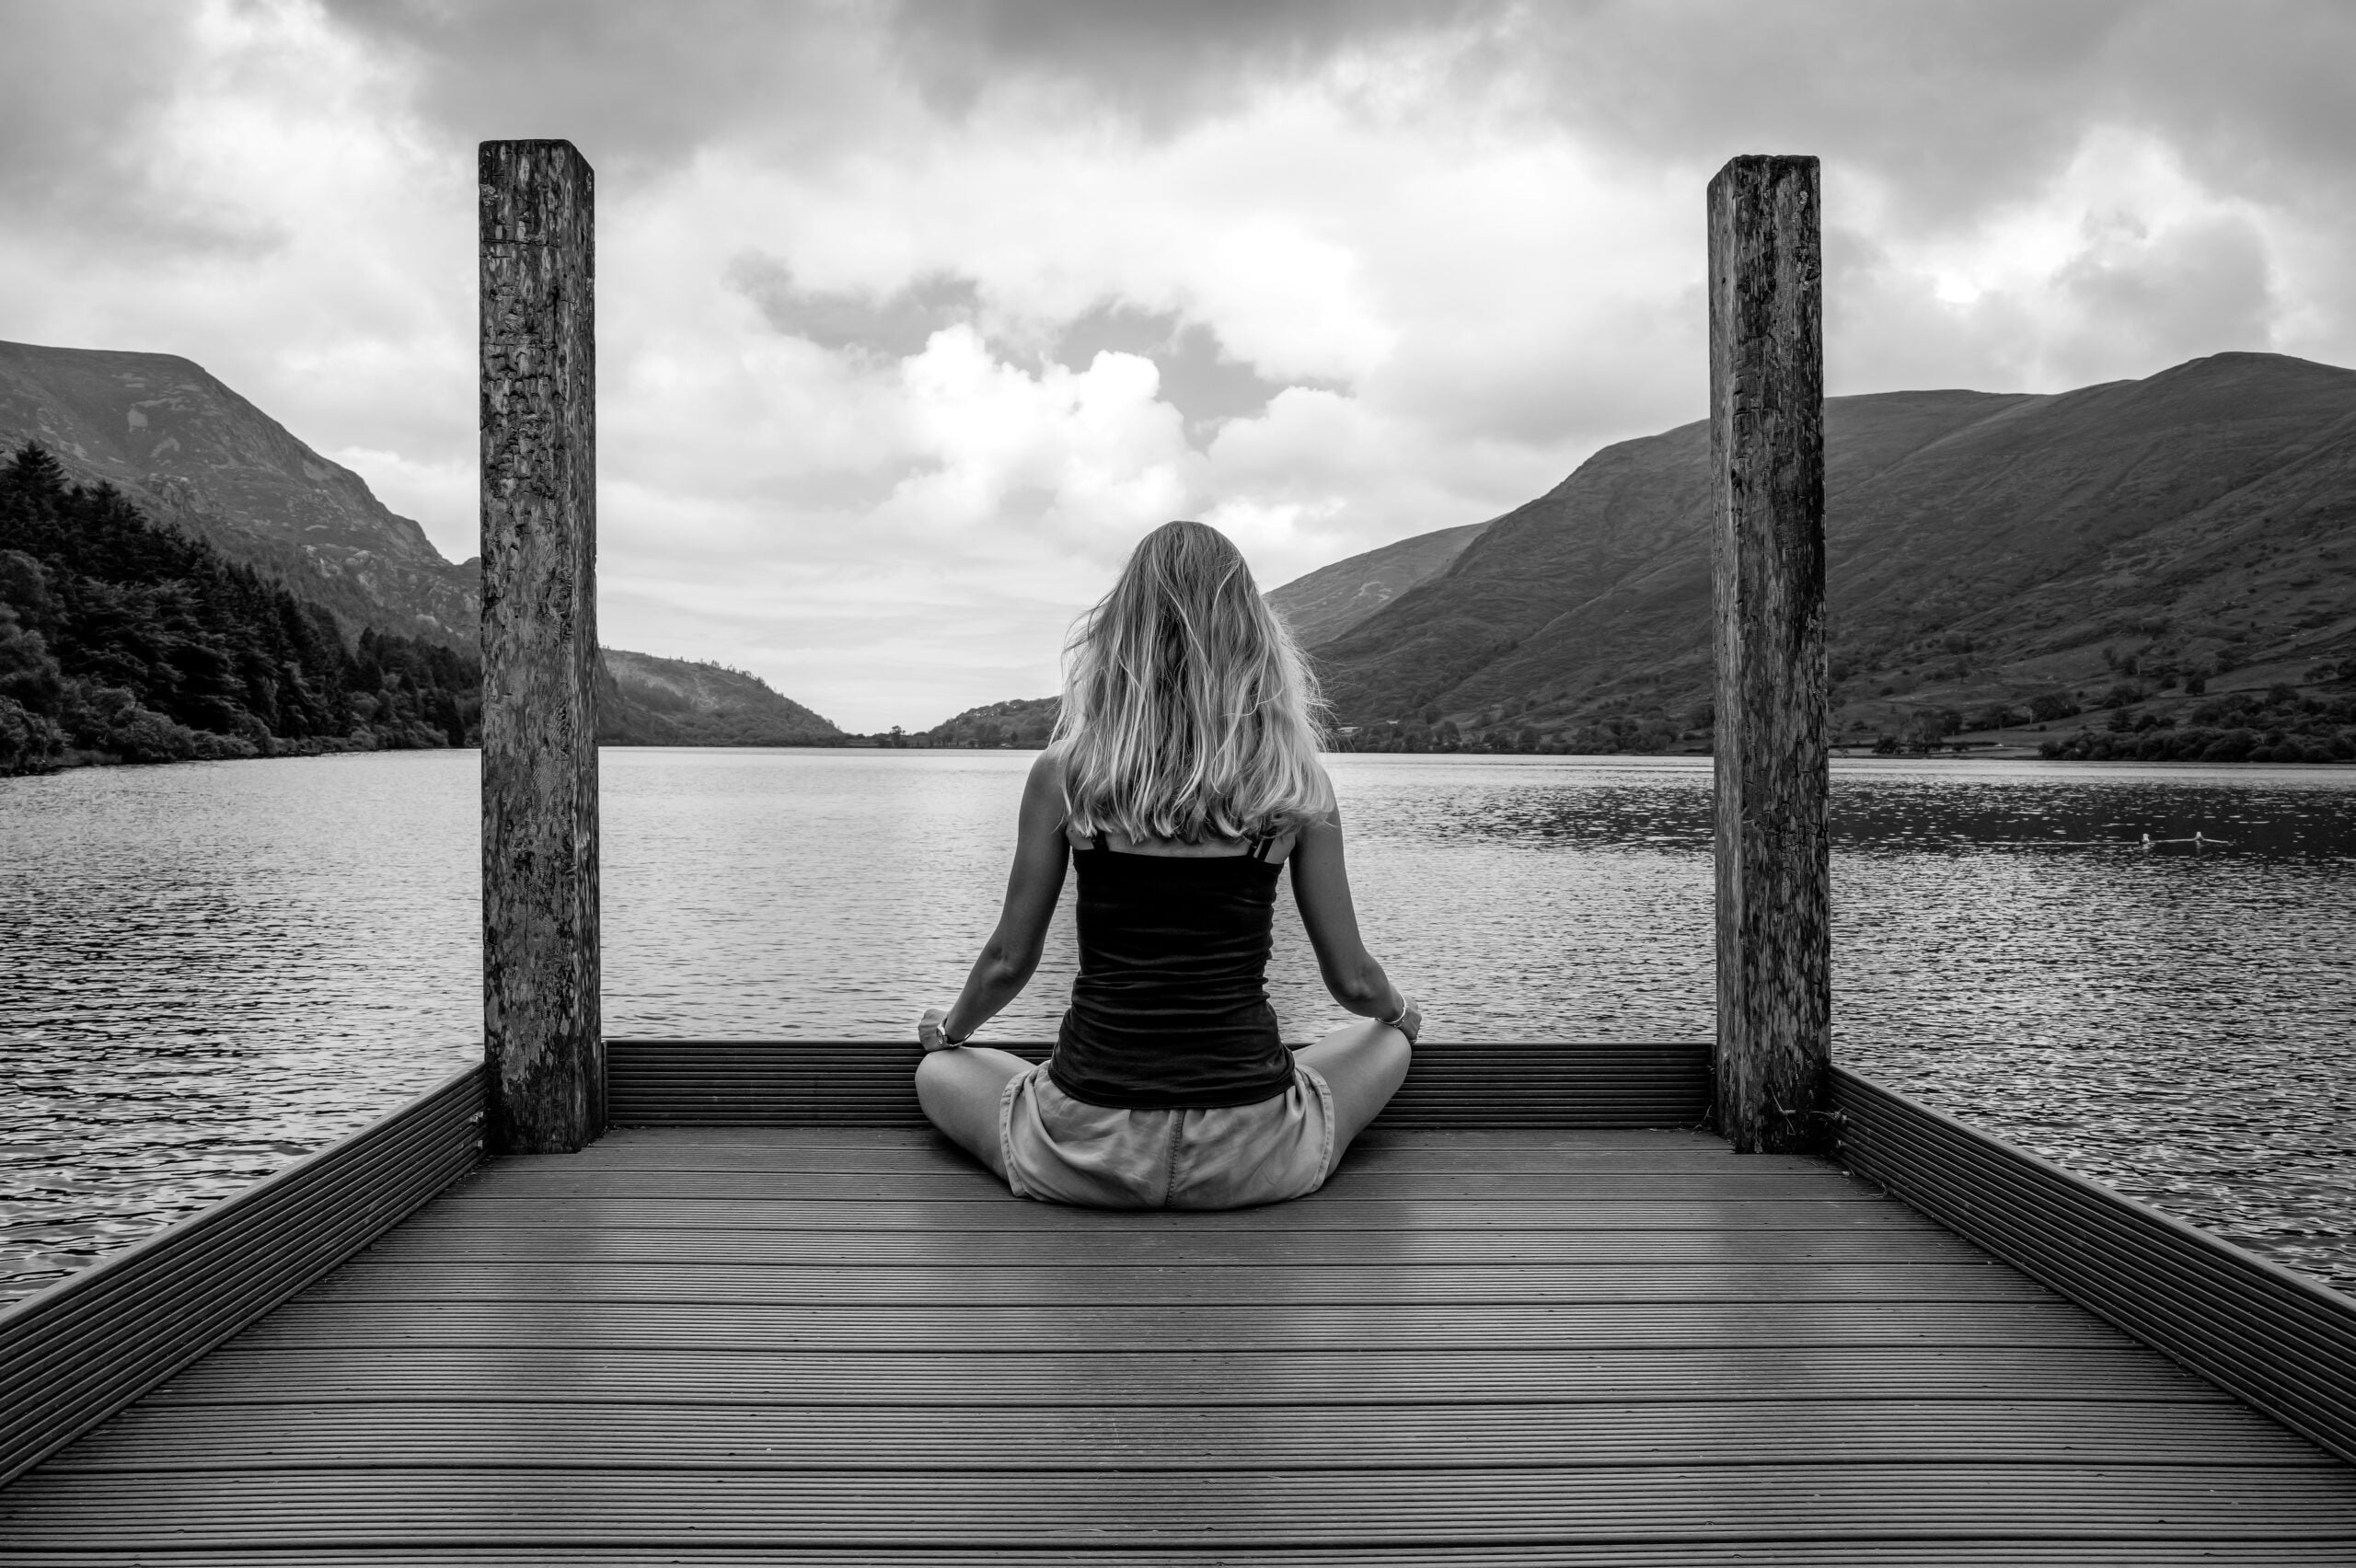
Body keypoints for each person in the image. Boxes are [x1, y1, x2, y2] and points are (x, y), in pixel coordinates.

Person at [912, 520, 1418, 1209]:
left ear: (1122, 637)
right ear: (1252, 641)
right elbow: (1356, 982)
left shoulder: (1067, 773)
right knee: (1382, 1042)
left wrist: (948, 1031)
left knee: (943, 1072)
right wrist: (1403, 1014)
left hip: (1087, 1148)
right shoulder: (1293, 784)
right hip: (1254, 1151)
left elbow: (1007, 961)